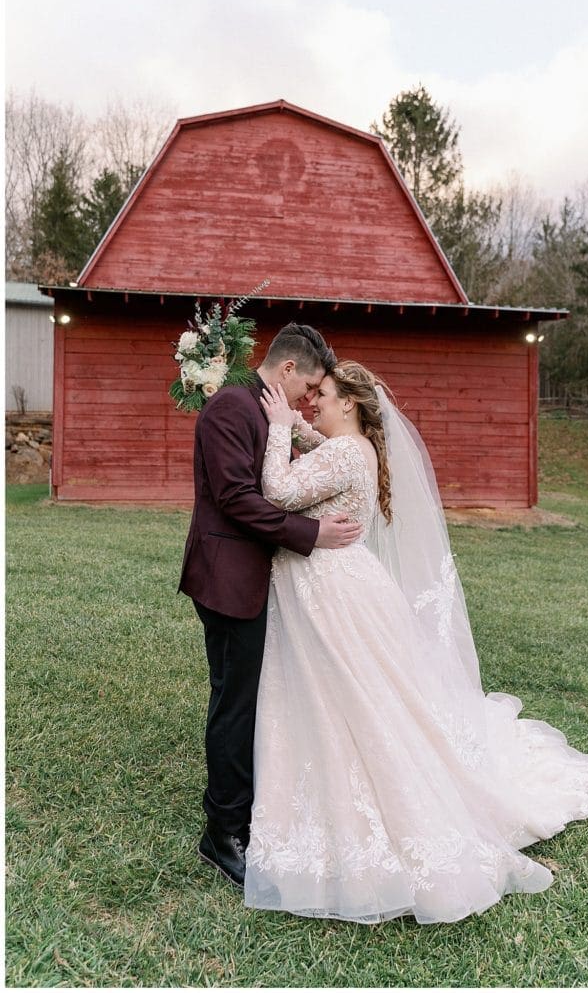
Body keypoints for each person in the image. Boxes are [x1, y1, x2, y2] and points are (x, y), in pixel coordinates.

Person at [243, 361, 588, 922]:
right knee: (351, 697)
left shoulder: (346, 453)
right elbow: (320, 447)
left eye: (321, 395)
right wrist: (298, 430)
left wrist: (277, 426)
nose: (311, 404)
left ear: (348, 403)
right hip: (334, 583)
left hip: (330, 590)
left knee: (348, 701)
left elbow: (276, 488)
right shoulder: (355, 449)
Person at [179, 324, 363, 888]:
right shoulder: (232, 410)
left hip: (257, 578)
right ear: (286, 370)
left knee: (253, 701)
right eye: (308, 386)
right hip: (229, 579)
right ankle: (223, 832)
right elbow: (237, 499)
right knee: (235, 704)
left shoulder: (265, 412)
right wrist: (310, 534)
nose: (310, 399)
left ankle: (248, 808)